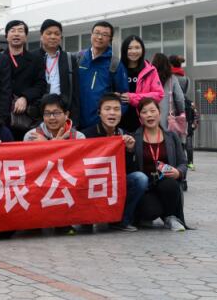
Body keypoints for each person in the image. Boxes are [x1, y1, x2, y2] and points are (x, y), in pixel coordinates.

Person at [81, 93, 144, 231]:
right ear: (99, 113)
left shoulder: (125, 135)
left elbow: (130, 170)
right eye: (107, 109)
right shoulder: (86, 135)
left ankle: (122, 220)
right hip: (92, 183)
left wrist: (130, 150)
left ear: (121, 113)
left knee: (140, 179)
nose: (112, 113)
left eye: (116, 109)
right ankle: (86, 218)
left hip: (115, 182)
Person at [129, 97, 187, 231]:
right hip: (146, 187)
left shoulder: (172, 137)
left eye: (152, 111)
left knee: (170, 185)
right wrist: (130, 151)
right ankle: (151, 213)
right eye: (144, 112)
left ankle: (171, 217)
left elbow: (183, 162)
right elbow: (129, 168)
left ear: (159, 113)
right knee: (150, 211)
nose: (149, 115)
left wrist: (178, 172)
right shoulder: (134, 138)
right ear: (140, 117)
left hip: (166, 183)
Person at [76, 21, 128, 129]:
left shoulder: (115, 64)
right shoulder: (79, 58)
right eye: (97, 33)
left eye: (105, 34)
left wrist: (110, 120)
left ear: (110, 39)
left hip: (102, 126)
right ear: (91, 35)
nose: (99, 37)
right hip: (76, 124)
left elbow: (124, 98)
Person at [3, 19, 47, 140]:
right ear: (6, 36)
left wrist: (25, 97)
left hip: (28, 117)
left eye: (20, 31)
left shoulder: (36, 59)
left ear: (26, 37)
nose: (16, 34)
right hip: (3, 117)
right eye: (12, 31)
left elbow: (41, 84)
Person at [35, 19, 81, 125]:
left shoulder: (69, 59)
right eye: (49, 33)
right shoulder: (32, 58)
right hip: (38, 115)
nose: (53, 37)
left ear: (61, 37)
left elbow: (75, 91)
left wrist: (75, 119)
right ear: (41, 36)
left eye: (57, 34)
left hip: (62, 113)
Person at [116, 35, 164, 133]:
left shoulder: (150, 70)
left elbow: (159, 94)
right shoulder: (116, 68)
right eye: (129, 48)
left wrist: (132, 98)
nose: (134, 51)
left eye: (137, 47)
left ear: (142, 50)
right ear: (124, 50)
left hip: (142, 123)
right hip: (118, 123)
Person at [169, 55, 196, 170]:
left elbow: (175, 95)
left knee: (173, 134)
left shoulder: (170, 77)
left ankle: (176, 160)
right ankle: (189, 162)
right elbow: (186, 93)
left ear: (170, 64)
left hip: (173, 109)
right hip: (186, 108)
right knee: (187, 134)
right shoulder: (185, 78)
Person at [152, 53, 186, 136]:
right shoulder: (172, 79)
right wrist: (181, 111)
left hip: (151, 116)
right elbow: (180, 98)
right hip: (168, 120)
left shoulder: (150, 78)